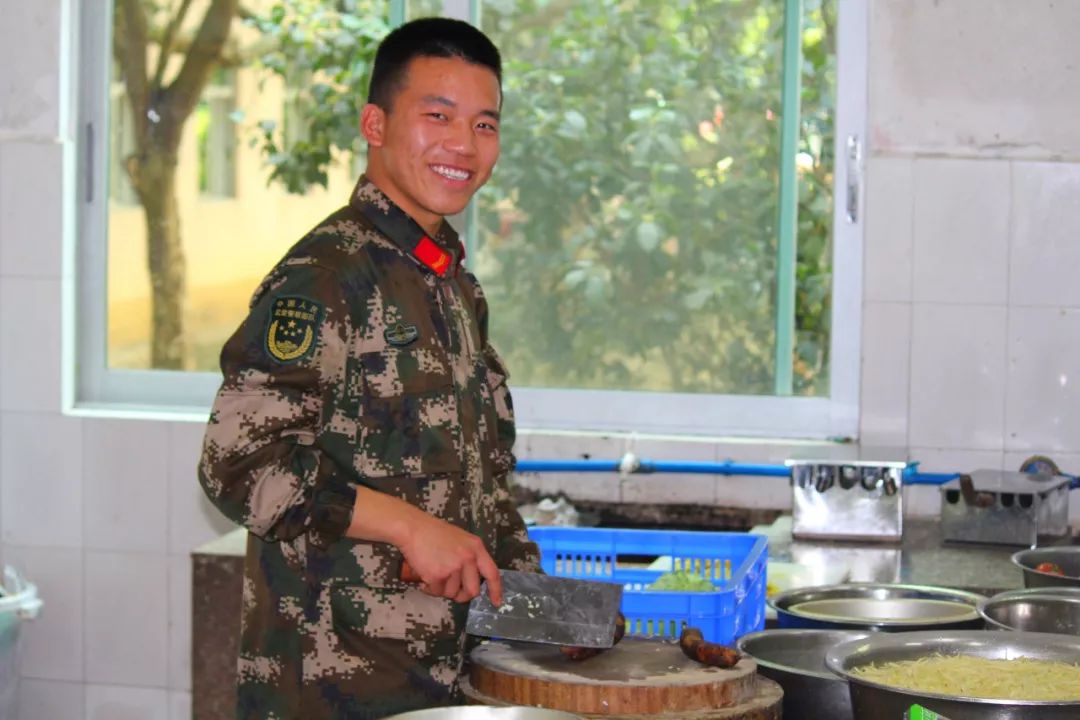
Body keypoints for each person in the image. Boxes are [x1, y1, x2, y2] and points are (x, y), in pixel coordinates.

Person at [198, 17, 541, 719]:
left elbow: (481, 482)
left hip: (437, 679)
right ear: (375, 125)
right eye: (438, 116)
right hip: (329, 689)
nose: (464, 144)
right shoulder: (329, 275)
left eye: (484, 124)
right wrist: (409, 527)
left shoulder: (448, 284)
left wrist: (538, 606)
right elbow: (236, 464)